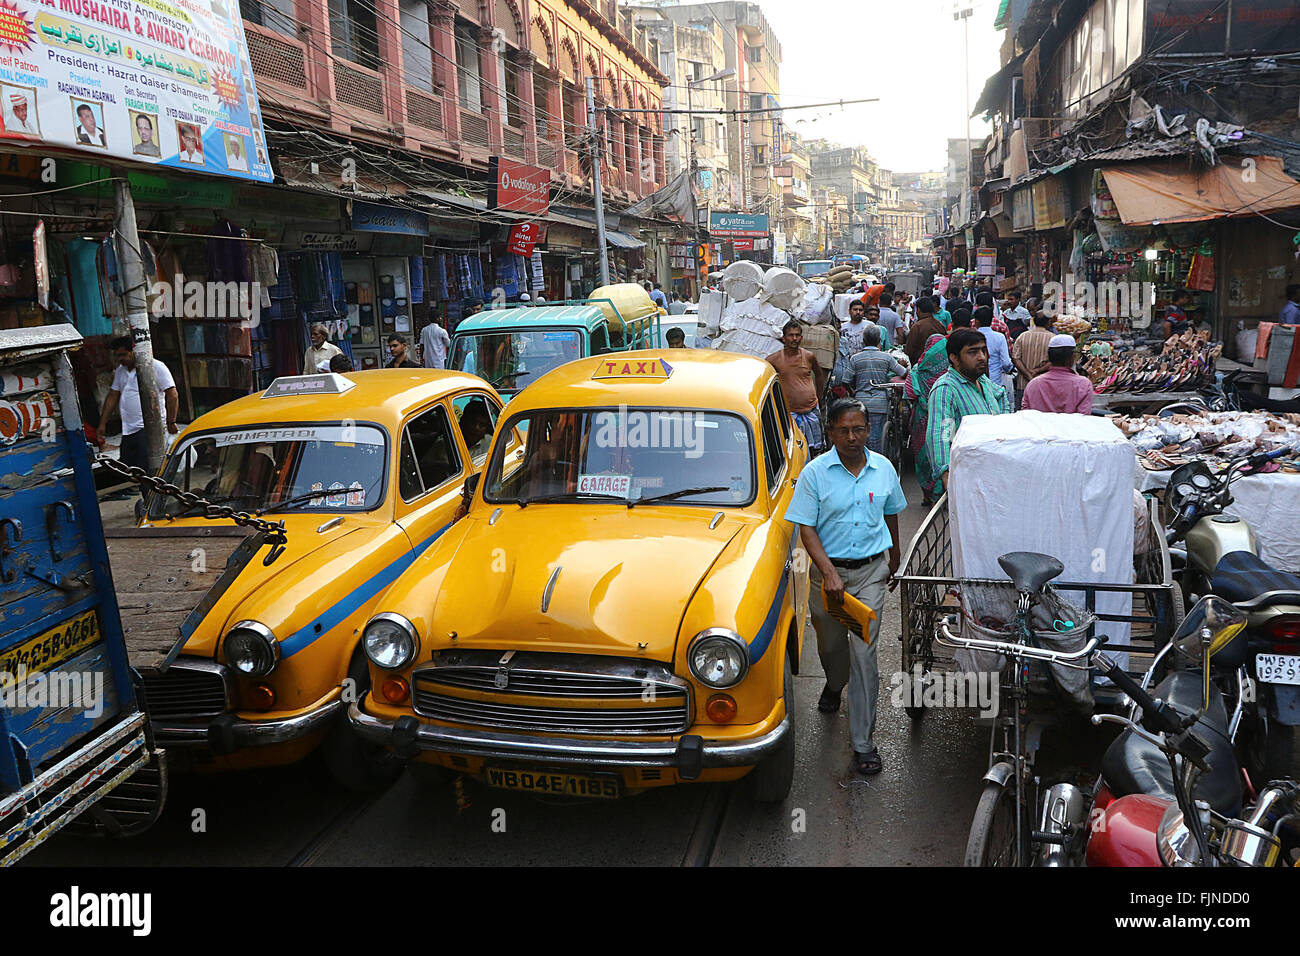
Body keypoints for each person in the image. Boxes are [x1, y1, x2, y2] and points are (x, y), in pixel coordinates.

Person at [785, 398, 906, 777]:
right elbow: (806, 527)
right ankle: (834, 684)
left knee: (864, 655)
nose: (852, 437)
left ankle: (863, 743)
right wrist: (829, 572)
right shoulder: (815, 473)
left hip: (870, 574)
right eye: (843, 430)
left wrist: (894, 554)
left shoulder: (883, 468)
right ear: (831, 432)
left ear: (868, 430)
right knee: (832, 646)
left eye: (858, 429)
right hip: (829, 578)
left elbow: (891, 513)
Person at [925, 327, 1011, 493]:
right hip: (968, 480)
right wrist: (947, 474)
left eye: (983, 351)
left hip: (994, 473)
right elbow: (941, 434)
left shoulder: (983, 381)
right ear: (955, 359)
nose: (981, 357)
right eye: (972, 352)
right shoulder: (946, 389)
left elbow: (1001, 396)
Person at [96, 337, 178, 472]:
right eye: (117, 356)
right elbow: (112, 397)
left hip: (149, 427)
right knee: (127, 467)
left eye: (123, 354)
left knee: (146, 468)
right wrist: (103, 423)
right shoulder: (120, 371)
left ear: (133, 352)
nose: (120, 359)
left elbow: (172, 394)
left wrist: (171, 421)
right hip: (128, 428)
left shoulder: (155, 366)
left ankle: (149, 492)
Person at [767, 320, 827, 454]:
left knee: (815, 449)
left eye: (797, 335)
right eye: (791, 335)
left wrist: (820, 396)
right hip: (790, 412)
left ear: (801, 337)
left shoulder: (808, 356)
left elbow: (819, 374)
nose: (794, 339)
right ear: (784, 338)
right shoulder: (774, 359)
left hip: (811, 409)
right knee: (793, 449)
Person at [904, 332, 950, 505]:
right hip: (945, 420)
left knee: (922, 457)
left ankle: (927, 494)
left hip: (921, 421)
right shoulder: (950, 372)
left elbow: (909, 392)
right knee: (944, 452)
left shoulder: (917, 369)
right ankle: (942, 493)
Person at [848, 325, 907, 453]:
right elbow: (903, 373)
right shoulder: (886, 358)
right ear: (879, 340)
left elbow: (846, 381)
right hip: (880, 403)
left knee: (861, 431)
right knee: (878, 437)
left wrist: (854, 391)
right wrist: (902, 365)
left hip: (860, 402)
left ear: (863, 340)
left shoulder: (855, 358)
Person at [1022, 334, 1093, 414]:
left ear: (1049, 357)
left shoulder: (1033, 384)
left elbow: (1026, 416)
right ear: (1072, 357)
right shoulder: (1083, 385)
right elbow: (1083, 418)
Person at [1012, 310, 1055, 410]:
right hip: (1044, 385)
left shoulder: (1022, 336)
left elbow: (1015, 358)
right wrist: (1036, 371)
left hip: (1023, 384)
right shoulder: (1053, 338)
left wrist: (1027, 374)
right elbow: (1054, 361)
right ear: (1048, 322)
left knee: (1022, 416)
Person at [974, 305, 1013, 389]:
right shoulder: (999, 337)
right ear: (991, 320)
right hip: (995, 382)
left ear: (976, 321)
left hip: (976, 382)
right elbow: (1006, 362)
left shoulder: (972, 337)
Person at [904, 296, 945, 365]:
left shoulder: (917, 326)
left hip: (920, 365)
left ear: (918, 310)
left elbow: (909, 351)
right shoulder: (939, 325)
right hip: (938, 365)